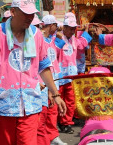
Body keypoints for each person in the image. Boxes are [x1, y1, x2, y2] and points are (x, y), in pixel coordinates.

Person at [0, 0, 66, 145]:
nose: (30, 17)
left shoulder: (36, 35)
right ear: (13, 12)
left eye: (32, 14)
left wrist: (56, 94)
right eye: (26, 14)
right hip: (2, 106)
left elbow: (44, 66)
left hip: (30, 105)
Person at [56, 14, 92, 134]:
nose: (72, 31)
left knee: (71, 101)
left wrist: (86, 31)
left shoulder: (74, 40)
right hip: (59, 77)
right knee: (58, 101)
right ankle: (60, 122)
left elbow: (83, 43)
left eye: (74, 29)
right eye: (70, 28)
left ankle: (66, 122)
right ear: (64, 27)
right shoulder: (57, 39)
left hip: (71, 77)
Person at [41, 15, 66, 145]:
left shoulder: (51, 39)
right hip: (44, 80)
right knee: (45, 112)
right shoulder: (39, 40)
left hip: (54, 79)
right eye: (55, 25)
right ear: (51, 25)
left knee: (53, 110)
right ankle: (45, 138)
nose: (57, 28)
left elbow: (61, 44)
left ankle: (52, 136)